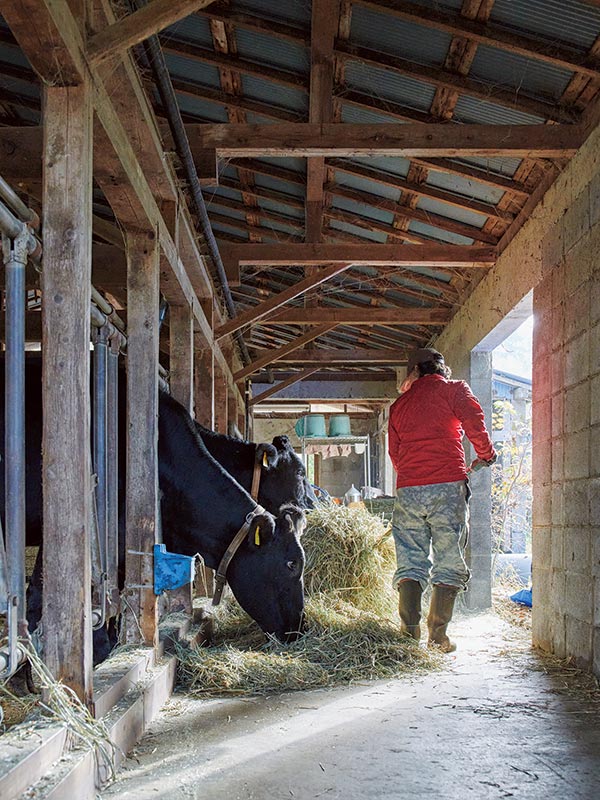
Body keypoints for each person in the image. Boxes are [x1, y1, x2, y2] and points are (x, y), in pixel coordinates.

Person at [388, 347, 496, 652]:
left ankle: (409, 636)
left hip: (409, 489)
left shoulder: (399, 405)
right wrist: (487, 455)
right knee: (448, 560)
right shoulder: (455, 390)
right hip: (447, 487)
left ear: (415, 371)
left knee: (410, 560)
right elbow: (475, 424)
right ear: (440, 369)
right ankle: (437, 637)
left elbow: (395, 454)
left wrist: (413, 476)